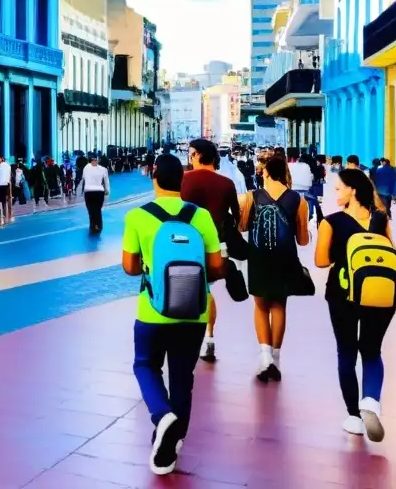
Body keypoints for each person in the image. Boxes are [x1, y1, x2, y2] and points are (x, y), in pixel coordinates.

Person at [123, 154, 224, 476]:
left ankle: (161, 415)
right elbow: (217, 266)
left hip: (152, 311)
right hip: (194, 312)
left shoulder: (138, 217)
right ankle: (170, 449)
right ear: (182, 180)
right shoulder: (201, 217)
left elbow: (129, 267)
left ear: (153, 178)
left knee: (145, 364)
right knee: (183, 378)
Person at [315, 169, 396, 441]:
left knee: (347, 352)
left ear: (352, 190)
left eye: (338, 189)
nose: (335, 194)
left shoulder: (332, 222)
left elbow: (320, 261)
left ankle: (353, 415)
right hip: (381, 294)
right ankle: (371, 400)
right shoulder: (380, 218)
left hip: (342, 294)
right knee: (372, 351)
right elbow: (391, 253)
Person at [239, 156, 310, 382]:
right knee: (279, 304)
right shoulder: (298, 199)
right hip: (286, 257)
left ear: (265, 173)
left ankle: (264, 357)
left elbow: (241, 226)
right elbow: (303, 240)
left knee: (260, 305)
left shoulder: (252, 196)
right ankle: (276, 359)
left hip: (258, 257)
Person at [182, 139, 240, 364]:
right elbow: (236, 217)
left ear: (197, 155)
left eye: (190, 154)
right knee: (205, 290)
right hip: (215, 245)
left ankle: (185, 338)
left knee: (183, 288)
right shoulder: (226, 183)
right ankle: (209, 338)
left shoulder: (184, 180)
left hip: (184, 244)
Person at [82, 154, 110, 234]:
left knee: (91, 210)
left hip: (88, 192)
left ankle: (92, 226)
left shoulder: (86, 168)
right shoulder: (103, 169)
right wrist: (107, 191)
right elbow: (106, 181)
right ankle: (98, 227)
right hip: (99, 192)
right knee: (97, 210)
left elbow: (83, 178)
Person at [0, 156, 13, 224]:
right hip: (6, 184)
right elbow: (9, 176)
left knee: (0, 200)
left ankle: (1, 215)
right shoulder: (7, 166)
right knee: (6, 200)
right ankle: (6, 215)